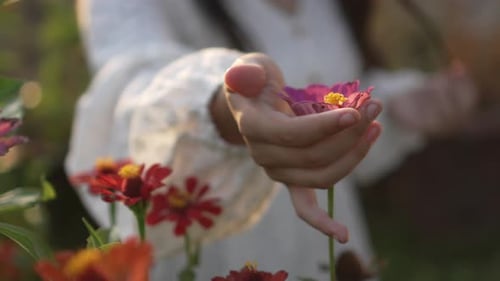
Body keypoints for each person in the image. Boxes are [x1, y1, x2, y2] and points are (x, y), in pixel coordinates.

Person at [66, 0, 478, 279]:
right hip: (211, 248)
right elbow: (130, 88)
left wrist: (400, 105)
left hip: (331, 243)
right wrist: (224, 108)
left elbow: (325, 96)